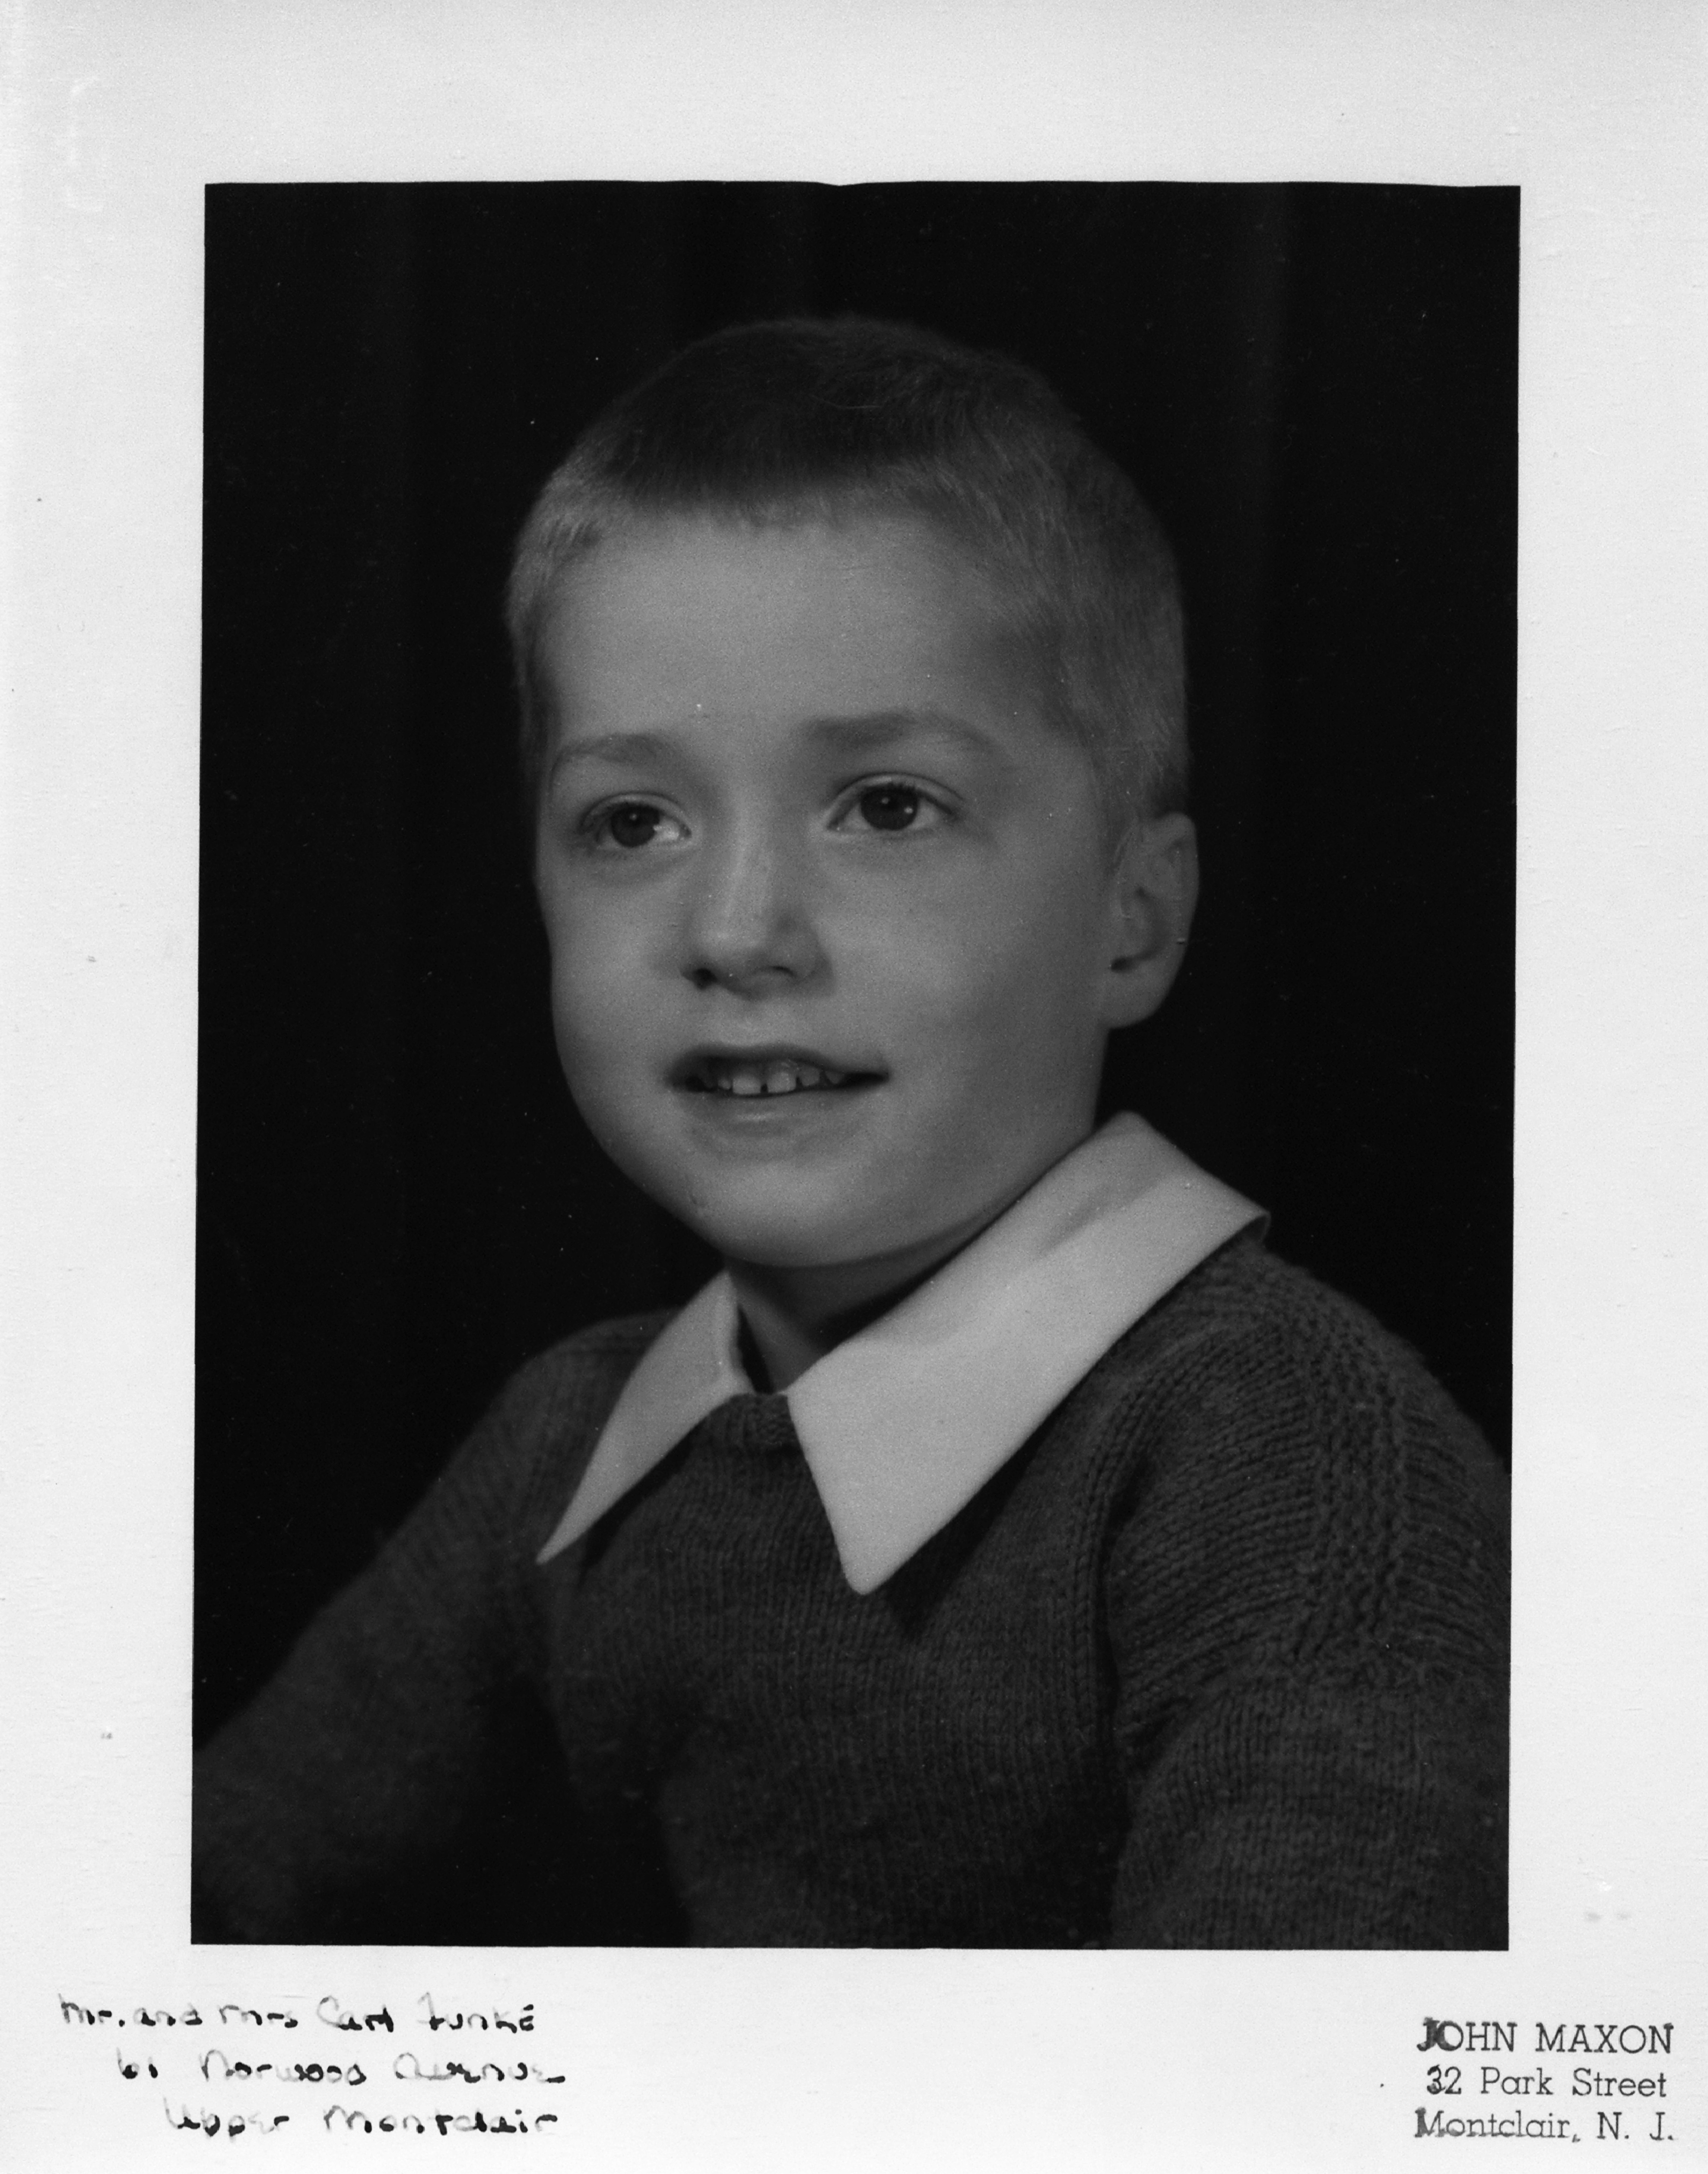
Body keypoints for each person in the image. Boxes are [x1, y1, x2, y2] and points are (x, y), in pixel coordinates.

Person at [193, 316, 1507, 1948]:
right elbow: (177, 1907)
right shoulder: (574, 1439)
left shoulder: (1288, 1456)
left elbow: (1283, 2068)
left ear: (1133, 918)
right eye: (634, 821)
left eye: (887, 806)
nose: (737, 929)